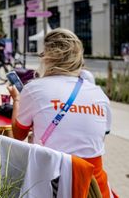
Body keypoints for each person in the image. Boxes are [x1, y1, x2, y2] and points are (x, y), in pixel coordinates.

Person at [7, 28, 114, 198]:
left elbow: (18, 134)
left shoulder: (34, 88)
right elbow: (99, 137)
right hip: (95, 188)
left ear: (46, 58)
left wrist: (17, 100)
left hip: (52, 184)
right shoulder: (99, 94)